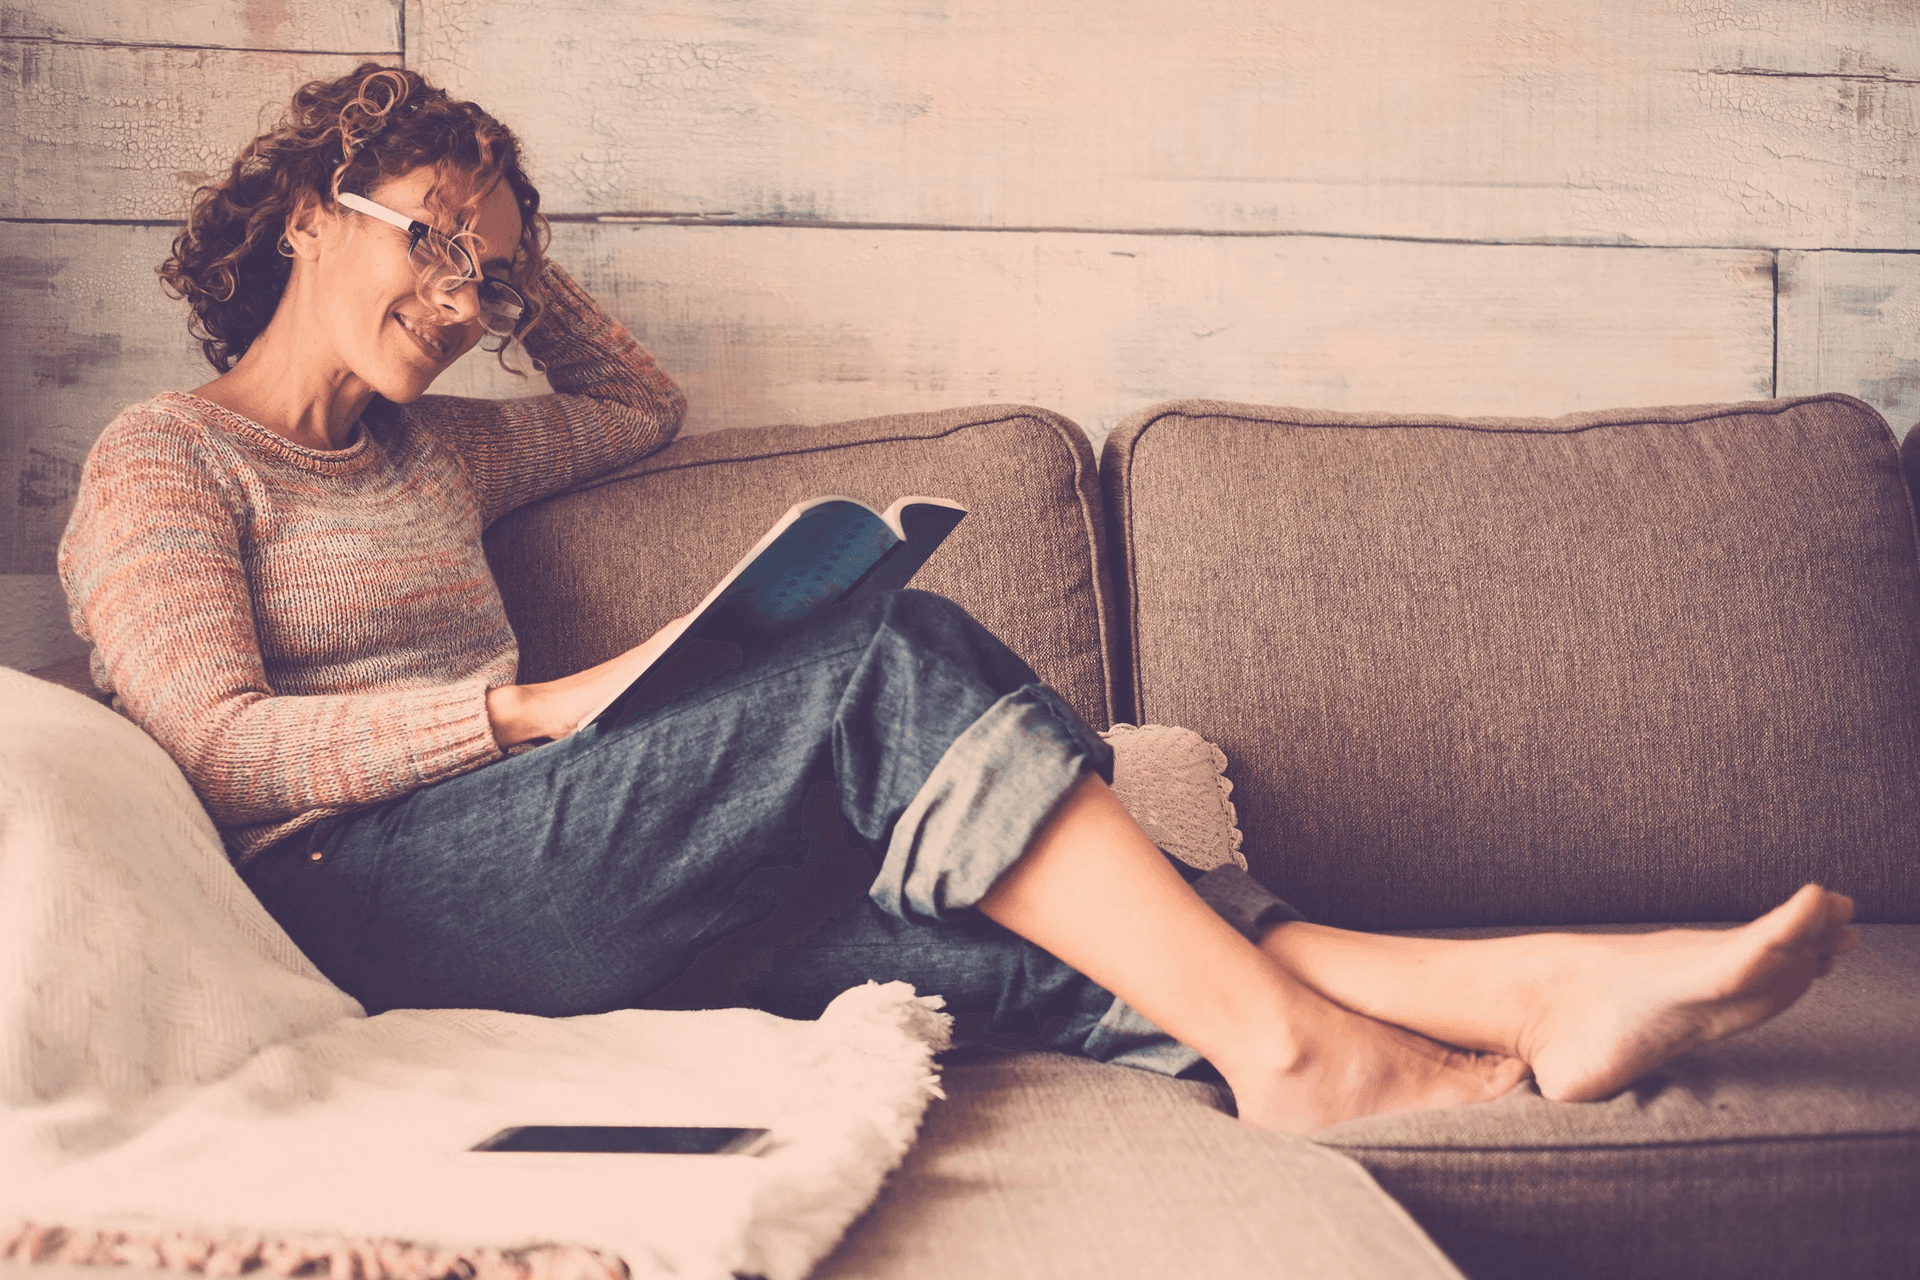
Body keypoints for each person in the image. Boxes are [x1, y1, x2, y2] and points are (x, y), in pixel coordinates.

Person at [58, 64, 1856, 1135]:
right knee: (879, 661)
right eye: (427, 243)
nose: (460, 302)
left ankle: (1532, 1005)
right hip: (368, 900)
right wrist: (525, 713)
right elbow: (213, 751)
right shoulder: (166, 460)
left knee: (1044, 926)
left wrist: (506, 241)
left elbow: (633, 408)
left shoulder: (434, 457)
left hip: (566, 885)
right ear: (310, 207)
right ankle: (1304, 1057)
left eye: (486, 271)